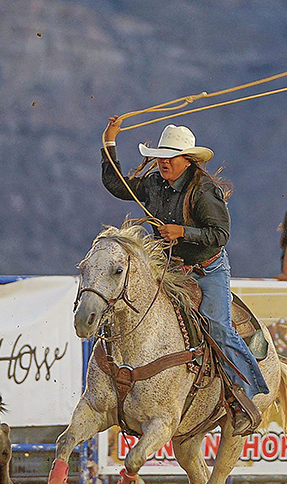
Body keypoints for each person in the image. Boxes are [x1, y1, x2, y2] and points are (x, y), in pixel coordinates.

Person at [101, 117, 267, 435]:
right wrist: (109, 142)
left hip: (208, 269)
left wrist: (183, 232)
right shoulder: (152, 184)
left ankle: (244, 395)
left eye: (170, 157)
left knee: (217, 324)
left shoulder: (204, 191)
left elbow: (220, 234)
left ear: (186, 160)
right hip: (169, 266)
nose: (163, 162)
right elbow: (116, 185)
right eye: (161, 156)